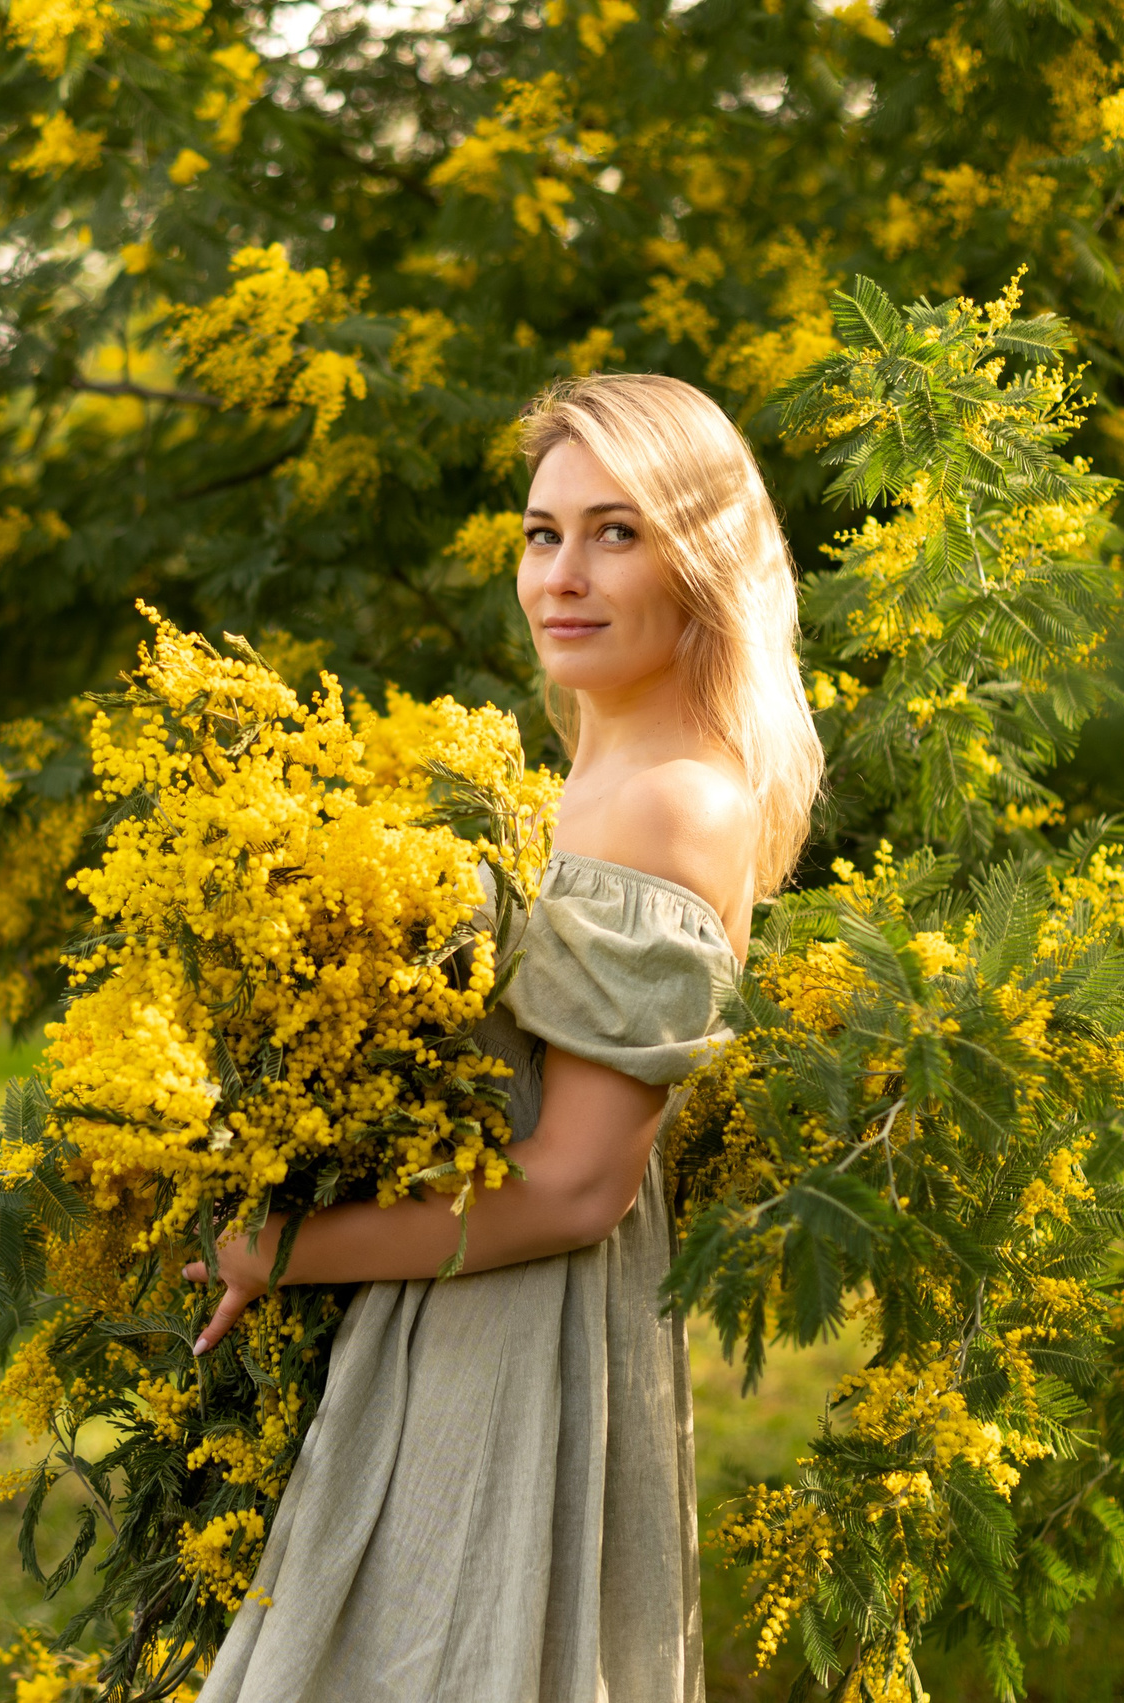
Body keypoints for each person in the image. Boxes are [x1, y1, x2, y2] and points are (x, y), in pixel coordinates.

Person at [182, 372, 823, 1703]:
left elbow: (582, 1184)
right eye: (543, 534)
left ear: (702, 560)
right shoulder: (596, 779)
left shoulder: (674, 801)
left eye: (617, 531)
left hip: (523, 1345)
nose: (563, 575)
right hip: (456, 1306)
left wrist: (281, 1248)